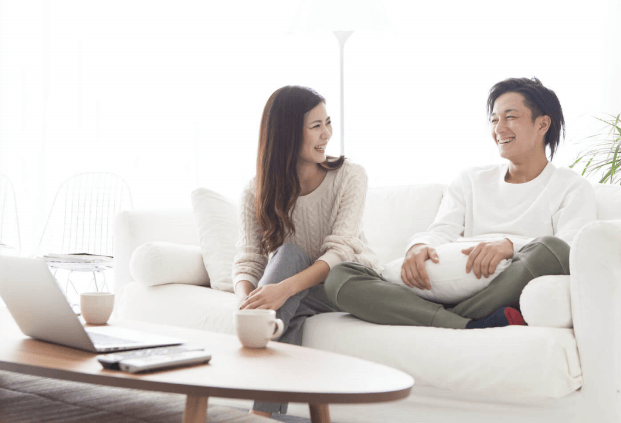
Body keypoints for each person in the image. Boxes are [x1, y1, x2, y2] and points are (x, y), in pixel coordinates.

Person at [324, 77, 597, 330]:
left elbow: (571, 253)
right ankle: (467, 323)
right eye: (494, 120)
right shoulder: (471, 179)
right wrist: (419, 246)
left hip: (505, 288)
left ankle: (436, 317)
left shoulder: (571, 186)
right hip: (448, 287)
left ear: (542, 125)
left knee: (552, 249)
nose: (499, 128)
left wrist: (509, 246)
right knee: (341, 277)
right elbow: (442, 231)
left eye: (510, 117)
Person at [233, 85, 379, 417]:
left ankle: (258, 413)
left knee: (289, 263)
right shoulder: (255, 190)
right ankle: (267, 416)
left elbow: (340, 251)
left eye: (328, 123)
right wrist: (246, 304)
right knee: (288, 262)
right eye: (316, 126)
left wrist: (283, 290)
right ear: (287, 134)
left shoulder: (350, 176)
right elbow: (248, 260)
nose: (327, 134)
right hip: (296, 290)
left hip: (344, 282)